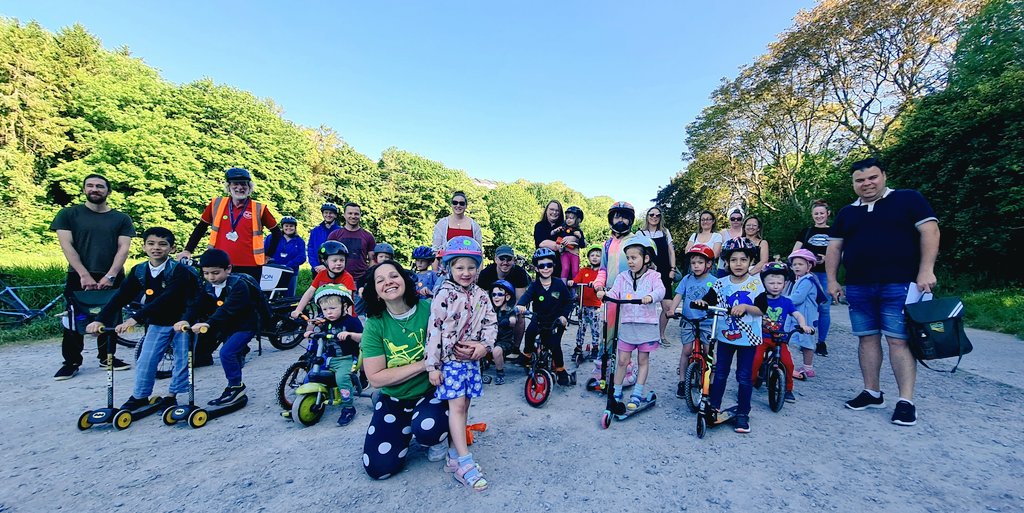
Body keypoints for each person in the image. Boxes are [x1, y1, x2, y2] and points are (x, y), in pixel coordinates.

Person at [827, 157, 939, 427]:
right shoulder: (846, 213)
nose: (867, 184)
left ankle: (906, 401)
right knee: (866, 339)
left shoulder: (908, 199)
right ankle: (872, 391)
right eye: (860, 180)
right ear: (853, 183)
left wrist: (926, 270)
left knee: (898, 340)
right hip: (859, 285)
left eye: (872, 178)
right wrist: (832, 280)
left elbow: (931, 231)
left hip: (900, 283)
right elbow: (834, 248)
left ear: (884, 176)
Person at [361, 260, 486, 480]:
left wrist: (480, 345)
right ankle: (404, 429)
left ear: (405, 280)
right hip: (395, 398)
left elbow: (463, 328)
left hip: (432, 392)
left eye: (394, 276)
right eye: (380, 280)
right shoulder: (374, 324)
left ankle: (433, 437)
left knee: (429, 429)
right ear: (376, 292)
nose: (388, 282)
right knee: (378, 468)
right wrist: (426, 363)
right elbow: (376, 378)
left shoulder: (430, 307)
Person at [85, 227, 196, 408]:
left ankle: (172, 395)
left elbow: (167, 298)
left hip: (182, 321)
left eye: (163, 244)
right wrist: (100, 319)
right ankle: (140, 396)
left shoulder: (179, 271)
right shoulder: (139, 270)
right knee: (146, 359)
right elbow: (121, 296)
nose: (156, 248)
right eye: (151, 244)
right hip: (157, 322)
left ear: (172, 248)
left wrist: (135, 318)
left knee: (183, 359)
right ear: (144, 247)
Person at [424, 236, 496, 491]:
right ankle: (465, 463)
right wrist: (432, 366)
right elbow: (434, 329)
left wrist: (484, 347)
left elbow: (490, 322)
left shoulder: (482, 295)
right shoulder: (443, 293)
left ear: (478, 268)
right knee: (456, 407)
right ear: (449, 268)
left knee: (465, 405)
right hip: (450, 361)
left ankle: (454, 456)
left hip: (471, 361)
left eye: (471, 267)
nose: (466, 273)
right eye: (459, 267)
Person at [51, 173, 135, 380]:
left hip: (111, 276)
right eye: (90, 186)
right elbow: (66, 245)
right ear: (84, 189)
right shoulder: (68, 214)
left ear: (108, 191)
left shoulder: (121, 218)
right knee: (74, 318)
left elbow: (123, 249)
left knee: (110, 316)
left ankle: (107, 357)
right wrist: (83, 274)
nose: (94, 189)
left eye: (100, 186)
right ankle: (71, 362)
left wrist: (111, 275)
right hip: (78, 275)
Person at [693, 238, 767, 434]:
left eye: (743, 260)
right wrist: (701, 302)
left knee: (743, 376)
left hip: (749, 338)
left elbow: (762, 309)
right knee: (721, 373)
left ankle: (743, 413)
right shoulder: (721, 283)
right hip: (725, 336)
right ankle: (714, 407)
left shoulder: (755, 284)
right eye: (734, 260)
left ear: (751, 261)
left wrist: (745, 307)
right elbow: (708, 298)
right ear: (727, 262)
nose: (739, 264)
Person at [179, 167, 282, 283]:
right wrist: (188, 250)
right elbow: (201, 228)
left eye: (244, 184)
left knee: (247, 300)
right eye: (235, 184)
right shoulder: (216, 204)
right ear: (228, 187)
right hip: (218, 263)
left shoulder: (259, 208)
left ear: (249, 187)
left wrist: (268, 255)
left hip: (250, 266)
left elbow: (277, 233)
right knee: (213, 298)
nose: (240, 188)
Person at [182, 249, 257, 406]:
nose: (211, 277)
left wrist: (208, 323)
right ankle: (236, 376)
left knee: (226, 353)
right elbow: (196, 305)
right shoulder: (207, 285)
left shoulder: (238, 285)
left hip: (245, 325)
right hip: (226, 326)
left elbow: (227, 308)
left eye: (215, 273)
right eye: (206, 273)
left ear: (228, 269)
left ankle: (236, 386)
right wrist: (185, 320)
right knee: (228, 353)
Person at [597, 235, 665, 410]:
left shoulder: (653, 276)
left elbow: (660, 290)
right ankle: (617, 390)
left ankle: (637, 392)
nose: (630, 261)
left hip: (647, 325)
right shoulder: (622, 277)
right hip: (627, 324)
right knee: (622, 360)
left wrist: (651, 296)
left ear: (646, 258)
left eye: (634, 258)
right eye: (628, 258)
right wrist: (605, 296)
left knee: (643, 359)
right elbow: (614, 293)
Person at [589, 201, 637, 390]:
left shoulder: (637, 241)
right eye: (617, 216)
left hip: (631, 296)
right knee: (607, 335)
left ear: (631, 220)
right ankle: (601, 371)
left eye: (624, 216)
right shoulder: (607, 243)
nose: (621, 220)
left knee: (626, 336)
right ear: (611, 219)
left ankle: (628, 371)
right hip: (610, 296)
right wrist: (599, 284)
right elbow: (603, 269)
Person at [752, 262, 812, 404]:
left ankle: (788, 389)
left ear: (785, 284)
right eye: (771, 282)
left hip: (779, 338)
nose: (775, 286)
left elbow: (797, 314)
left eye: (779, 283)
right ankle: (748, 382)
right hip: (761, 337)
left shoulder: (786, 302)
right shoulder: (760, 299)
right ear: (764, 283)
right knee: (755, 359)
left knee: (788, 363)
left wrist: (803, 325)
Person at [305, 284, 362, 426]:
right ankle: (307, 399)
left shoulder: (352, 321)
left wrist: (350, 334)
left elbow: (363, 337)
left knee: (342, 378)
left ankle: (348, 407)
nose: (328, 312)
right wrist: (311, 333)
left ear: (344, 305)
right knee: (312, 374)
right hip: (328, 358)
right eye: (325, 309)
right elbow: (318, 331)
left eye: (332, 308)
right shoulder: (326, 323)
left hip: (346, 358)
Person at [516, 248, 574, 386]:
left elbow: (568, 301)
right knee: (530, 333)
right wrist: (520, 306)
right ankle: (528, 355)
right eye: (542, 266)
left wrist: (564, 316)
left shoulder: (559, 283)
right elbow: (525, 297)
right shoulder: (534, 285)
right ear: (536, 268)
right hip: (539, 318)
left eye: (549, 265)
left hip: (556, 320)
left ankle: (560, 370)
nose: (546, 268)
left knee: (554, 345)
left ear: (553, 266)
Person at [667, 244, 717, 399]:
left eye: (700, 262)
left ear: (708, 264)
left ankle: (711, 381)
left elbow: (719, 300)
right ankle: (682, 381)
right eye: (693, 263)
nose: (696, 266)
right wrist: (671, 309)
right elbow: (678, 295)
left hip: (707, 321)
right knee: (686, 351)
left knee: (709, 352)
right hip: (689, 320)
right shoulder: (686, 280)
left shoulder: (714, 281)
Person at [793, 200, 833, 356]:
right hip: (806, 275)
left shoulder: (835, 231)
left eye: (822, 213)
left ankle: (821, 341)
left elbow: (840, 253)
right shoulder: (806, 231)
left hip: (825, 274)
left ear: (828, 214)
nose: (819, 216)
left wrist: (825, 258)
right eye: (816, 213)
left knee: (824, 308)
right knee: (804, 307)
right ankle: (803, 338)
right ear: (812, 215)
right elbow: (795, 252)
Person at [477, 245, 530, 352]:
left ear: (513, 260)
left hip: (512, 303)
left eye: (509, 259)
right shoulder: (486, 273)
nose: (505, 262)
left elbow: (520, 299)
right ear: (496, 259)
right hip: (492, 303)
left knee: (520, 316)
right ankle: (486, 344)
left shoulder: (519, 273)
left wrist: (510, 312)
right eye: (502, 259)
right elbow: (484, 299)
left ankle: (515, 348)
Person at [637, 205, 677, 347]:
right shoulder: (640, 234)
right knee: (645, 305)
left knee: (667, 306)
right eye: (651, 214)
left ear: (660, 217)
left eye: (657, 215)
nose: (654, 217)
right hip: (646, 273)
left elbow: (671, 251)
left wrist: (672, 269)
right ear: (647, 216)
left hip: (664, 271)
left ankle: (661, 335)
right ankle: (644, 336)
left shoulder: (665, 232)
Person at [326, 202, 376, 315]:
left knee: (355, 314)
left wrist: (368, 277)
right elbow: (327, 258)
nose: (353, 216)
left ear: (360, 215)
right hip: (338, 280)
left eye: (356, 214)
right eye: (350, 213)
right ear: (344, 215)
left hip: (359, 281)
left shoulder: (368, 236)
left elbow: (372, 259)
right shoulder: (335, 235)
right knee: (335, 312)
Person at [291, 241, 356, 319]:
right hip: (327, 315)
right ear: (324, 261)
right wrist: (298, 310)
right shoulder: (321, 274)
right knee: (310, 327)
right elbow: (310, 292)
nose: (339, 263)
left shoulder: (347, 277)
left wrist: (348, 319)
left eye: (342, 260)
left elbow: (348, 301)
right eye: (334, 260)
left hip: (344, 315)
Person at [788, 249, 825, 380]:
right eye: (795, 264)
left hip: (807, 316)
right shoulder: (801, 279)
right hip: (803, 314)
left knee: (807, 341)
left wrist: (783, 301)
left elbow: (798, 298)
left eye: (801, 264)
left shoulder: (807, 281)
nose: (797, 266)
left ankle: (808, 368)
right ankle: (804, 366)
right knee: (801, 340)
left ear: (809, 266)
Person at [431, 191, 483, 269]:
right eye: (455, 203)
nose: (458, 205)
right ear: (451, 205)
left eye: (461, 203)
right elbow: (436, 251)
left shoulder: (475, 226)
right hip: (447, 270)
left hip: (468, 271)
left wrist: (479, 273)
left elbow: (479, 252)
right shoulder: (442, 224)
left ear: (466, 206)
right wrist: (434, 273)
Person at [569, 244, 603, 360]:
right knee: (581, 326)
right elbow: (576, 280)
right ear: (588, 257)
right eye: (592, 255)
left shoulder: (602, 273)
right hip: (583, 304)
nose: (594, 257)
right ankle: (578, 347)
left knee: (595, 327)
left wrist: (596, 285)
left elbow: (602, 283)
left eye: (598, 255)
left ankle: (595, 347)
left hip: (595, 305)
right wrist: (572, 282)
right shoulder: (584, 271)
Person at [264, 216, 304, 296]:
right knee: (269, 295)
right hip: (272, 271)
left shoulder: (299, 241)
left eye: (291, 226)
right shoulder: (272, 237)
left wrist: (288, 265)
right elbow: (263, 251)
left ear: (295, 227)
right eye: (286, 226)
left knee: (288, 296)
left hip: (290, 272)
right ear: (282, 227)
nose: (289, 228)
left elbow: (302, 257)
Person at [488, 280, 516, 385]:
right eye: (494, 294)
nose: (496, 297)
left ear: (507, 297)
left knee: (496, 351)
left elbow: (514, 320)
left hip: (505, 342)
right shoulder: (490, 310)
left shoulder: (509, 310)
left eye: (500, 294)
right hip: (491, 339)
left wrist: (510, 321)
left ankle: (500, 373)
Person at [534, 200, 569, 277]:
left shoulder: (565, 227)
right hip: (543, 269)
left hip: (561, 271)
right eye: (552, 209)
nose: (554, 212)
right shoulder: (539, 226)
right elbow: (542, 243)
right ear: (546, 210)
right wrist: (561, 246)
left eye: (557, 210)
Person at [552, 205, 586, 281]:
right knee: (565, 268)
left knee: (575, 270)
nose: (568, 220)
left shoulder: (578, 231)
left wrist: (580, 237)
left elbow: (583, 245)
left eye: (571, 218)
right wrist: (555, 231)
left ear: (578, 220)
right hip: (564, 253)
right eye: (567, 218)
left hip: (574, 254)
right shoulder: (563, 228)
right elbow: (552, 235)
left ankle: (574, 289)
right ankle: (563, 285)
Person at [307, 203, 341, 274]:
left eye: (331, 213)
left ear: (335, 215)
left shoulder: (340, 231)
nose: (328, 215)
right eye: (326, 213)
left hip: (334, 269)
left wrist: (327, 266)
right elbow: (310, 249)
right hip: (317, 269)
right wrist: (315, 266)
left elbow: (341, 252)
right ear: (322, 214)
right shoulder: (315, 230)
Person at [717, 208, 745, 277]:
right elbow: (718, 251)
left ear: (742, 220)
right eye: (733, 219)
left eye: (739, 219)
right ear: (729, 220)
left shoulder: (746, 233)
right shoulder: (722, 233)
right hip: (723, 268)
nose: (736, 220)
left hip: (741, 269)